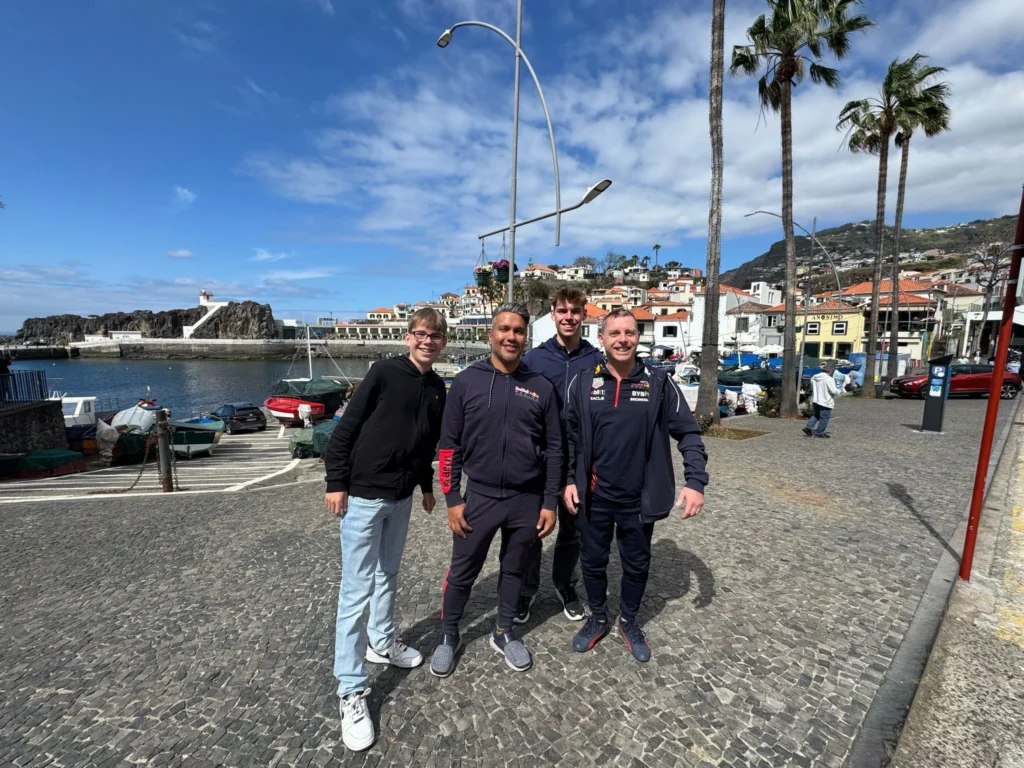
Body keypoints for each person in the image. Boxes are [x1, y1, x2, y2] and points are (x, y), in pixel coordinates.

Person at [323, 308, 448, 752]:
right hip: (363, 495)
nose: (427, 341)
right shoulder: (383, 372)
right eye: (421, 334)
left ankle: (381, 642)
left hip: (402, 498)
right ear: (408, 336)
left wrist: (426, 487)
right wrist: (335, 482)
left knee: (388, 574)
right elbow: (346, 429)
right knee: (355, 590)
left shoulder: (437, 387)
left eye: (435, 336)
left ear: (443, 342)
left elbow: (426, 442)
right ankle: (351, 688)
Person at [563, 308, 709, 663]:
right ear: (602, 338)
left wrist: (695, 481)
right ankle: (598, 618)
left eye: (629, 332)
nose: (622, 339)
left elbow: (688, 433)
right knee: (592, 561)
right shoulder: (582, 382)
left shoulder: (658, 383)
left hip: (638, 497)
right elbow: (567, 438)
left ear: (637, 337)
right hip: (593, 496)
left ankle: (628, 620)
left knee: (637, 564)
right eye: (614, 333)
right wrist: (567, 480)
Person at [431, 302, 561, 678]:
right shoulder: (466, 382)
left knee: (514, 569)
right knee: (462, 572)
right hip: (480, 497)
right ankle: (448, 634)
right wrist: (452, 498)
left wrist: (549, 502)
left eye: (518, 330)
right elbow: (448, 445)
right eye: (504, 329)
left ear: (525, 337)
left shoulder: (541, 387)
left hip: (526, 499)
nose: (511, 336)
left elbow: (555, 449)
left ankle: (504, 631)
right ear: (491, 334)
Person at [516, 287, 602, 624]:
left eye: (575, 311)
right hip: (539, 460)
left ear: (584, 315)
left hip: (580, 462)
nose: (569, 317)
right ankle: (527, 588)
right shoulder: (534, 360)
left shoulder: (596, 360)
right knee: (532, 528)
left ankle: (564, 583)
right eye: (562, 311)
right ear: (552, 314)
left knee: (573, 529)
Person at [804, 362, 839, 438]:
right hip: (825, 400)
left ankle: (808, 427)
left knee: (816, 415)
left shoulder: (814, 377)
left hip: (815, 399)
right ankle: (819, 432)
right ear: (830, 371)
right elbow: (833, 391)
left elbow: (812, 388)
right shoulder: (829, 379)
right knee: (824, 417)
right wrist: (839, 391)